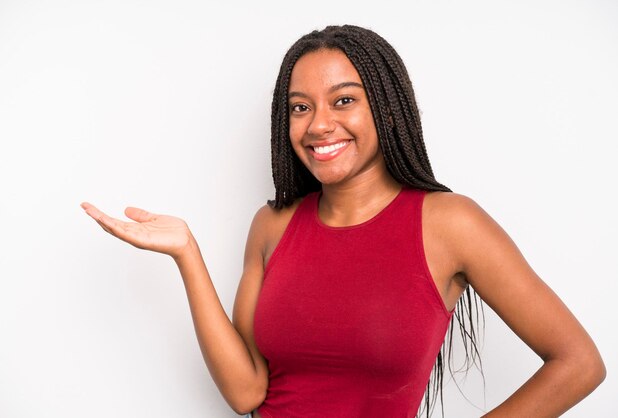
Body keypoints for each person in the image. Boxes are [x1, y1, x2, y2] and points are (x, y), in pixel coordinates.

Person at [81, 25, 605, 417]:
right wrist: (186, 254)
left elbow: (579, 363)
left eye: (344, 100)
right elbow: (247, 393)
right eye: (300, 107)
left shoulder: (449, 223)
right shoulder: (272, 224)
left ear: (388, 108)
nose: (319, 125)